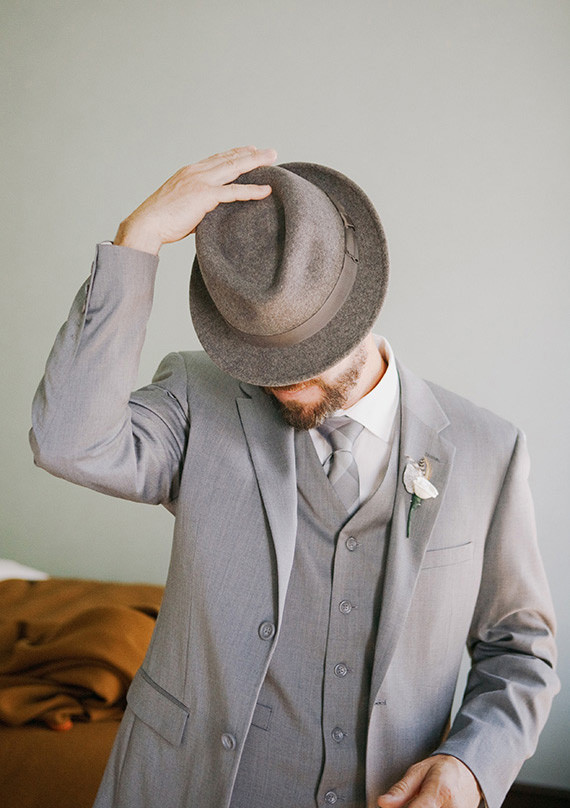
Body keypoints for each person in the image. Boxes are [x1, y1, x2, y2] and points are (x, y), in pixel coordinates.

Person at [30, 146, 558, 808]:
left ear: (360, 306)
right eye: (258, 356)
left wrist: (469, 764)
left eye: (305, 352)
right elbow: (67, 443)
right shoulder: (198, 397)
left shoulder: (489, 449)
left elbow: (521, 652)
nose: (281, 379)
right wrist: (136, 244)